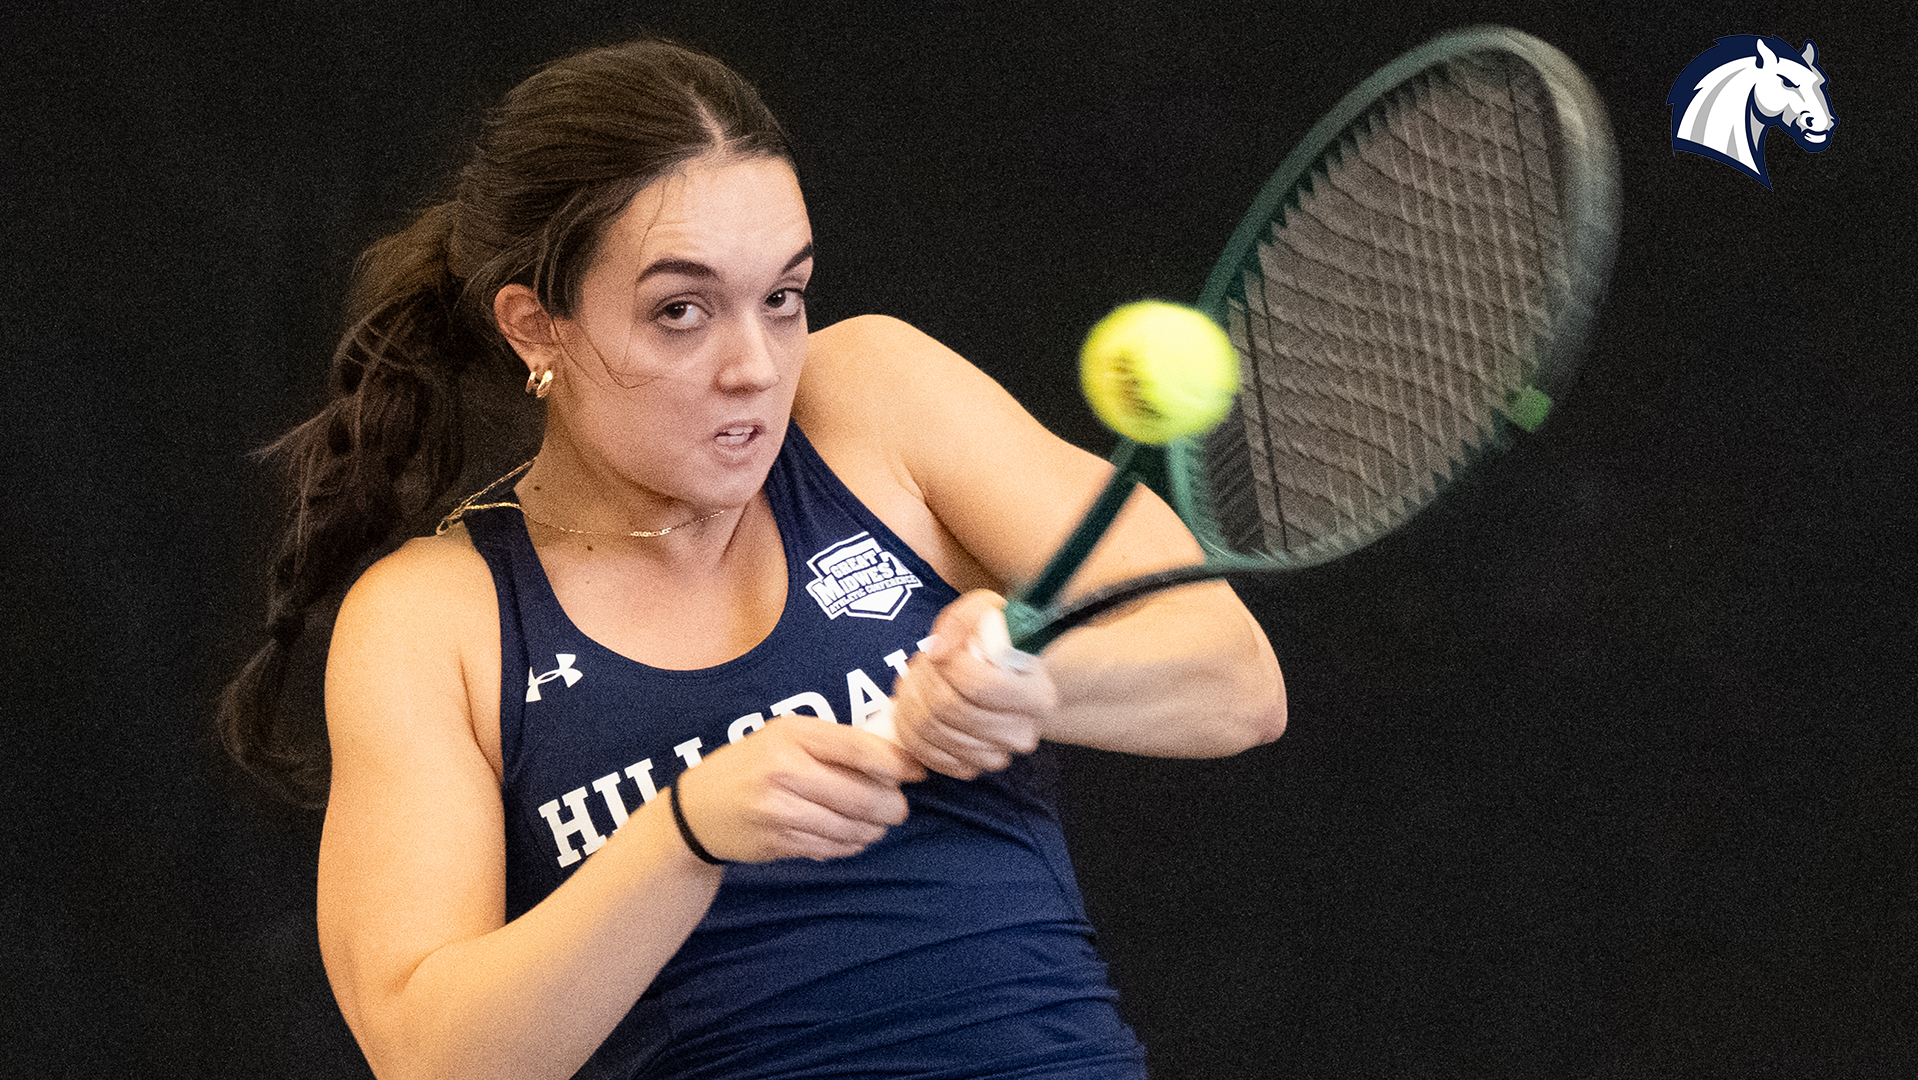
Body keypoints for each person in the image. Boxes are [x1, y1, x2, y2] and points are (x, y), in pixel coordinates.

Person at [220, 37, 1284, 1080]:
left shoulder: (874, 397)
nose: (754, 365)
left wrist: (1034, 686)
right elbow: (429, 1055)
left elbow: (1236, 684)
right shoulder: (431, 619)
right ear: (536, 329)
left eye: (783, 297)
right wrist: (682, 835)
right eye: (680, 312)